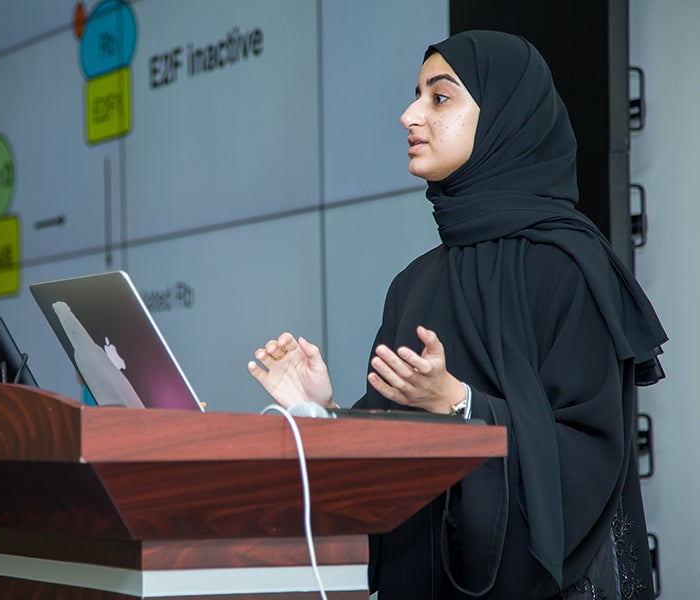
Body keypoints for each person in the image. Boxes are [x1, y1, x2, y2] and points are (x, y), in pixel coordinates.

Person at [247, 30, 667, 599]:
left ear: (505, 119)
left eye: (438, 98)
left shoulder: (570, 266)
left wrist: (460, 406)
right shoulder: (414, 283)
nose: (408, 116)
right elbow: (392, 460)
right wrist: (321, 409)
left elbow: (589, 457)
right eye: (416, 96)